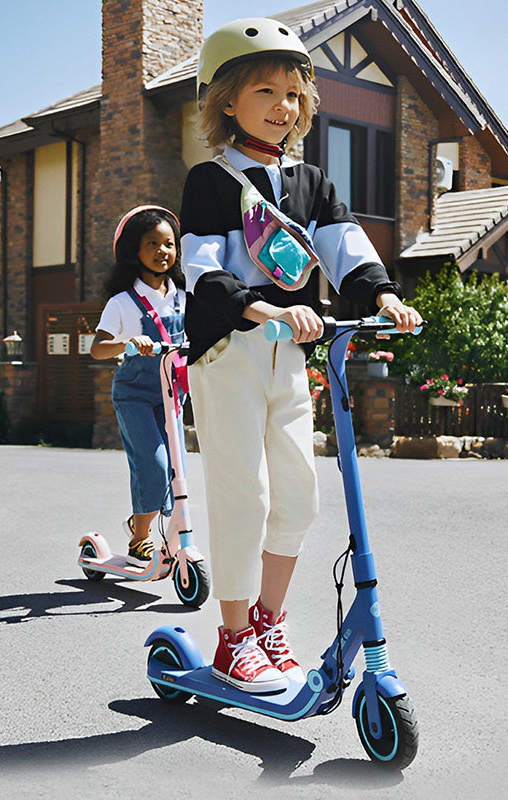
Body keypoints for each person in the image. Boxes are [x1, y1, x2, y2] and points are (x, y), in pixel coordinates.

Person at [180, 17, 423, 692]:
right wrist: (260, 308)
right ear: (228, 100)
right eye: (266, 91)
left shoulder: (311, 181)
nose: (284, 107)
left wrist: (381, 298)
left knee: (300, 494)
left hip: (290, 351)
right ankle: (232, 640)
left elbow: (346, 248)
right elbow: (201, 269)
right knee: (244, 496)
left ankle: (267, 619)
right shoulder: (212, 180)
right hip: (229, 348)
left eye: (294, 94)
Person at [90, 205, 187, 566]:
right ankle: (141, 537)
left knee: (178, 471)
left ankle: (168, 531)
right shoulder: (122, 302)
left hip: (172, 392)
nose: (163, 251)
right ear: (135, 251)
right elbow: (98, 348)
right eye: (152, 243)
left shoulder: (182, 296)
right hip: (134, 393)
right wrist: (127, 344)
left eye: (169, 244)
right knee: (154, 463)